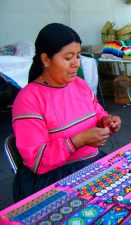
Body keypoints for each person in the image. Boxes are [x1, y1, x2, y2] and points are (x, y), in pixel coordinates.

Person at [12, 23, 121, 202]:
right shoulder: (29, 99)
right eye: (68, 58)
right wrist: (78, 141)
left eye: (78, 56)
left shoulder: (79, 84)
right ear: (46, 59)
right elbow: (38, 161)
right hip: (54, 180)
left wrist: (107, 120)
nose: (76, 63)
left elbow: (97, 113)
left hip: (89, 165)